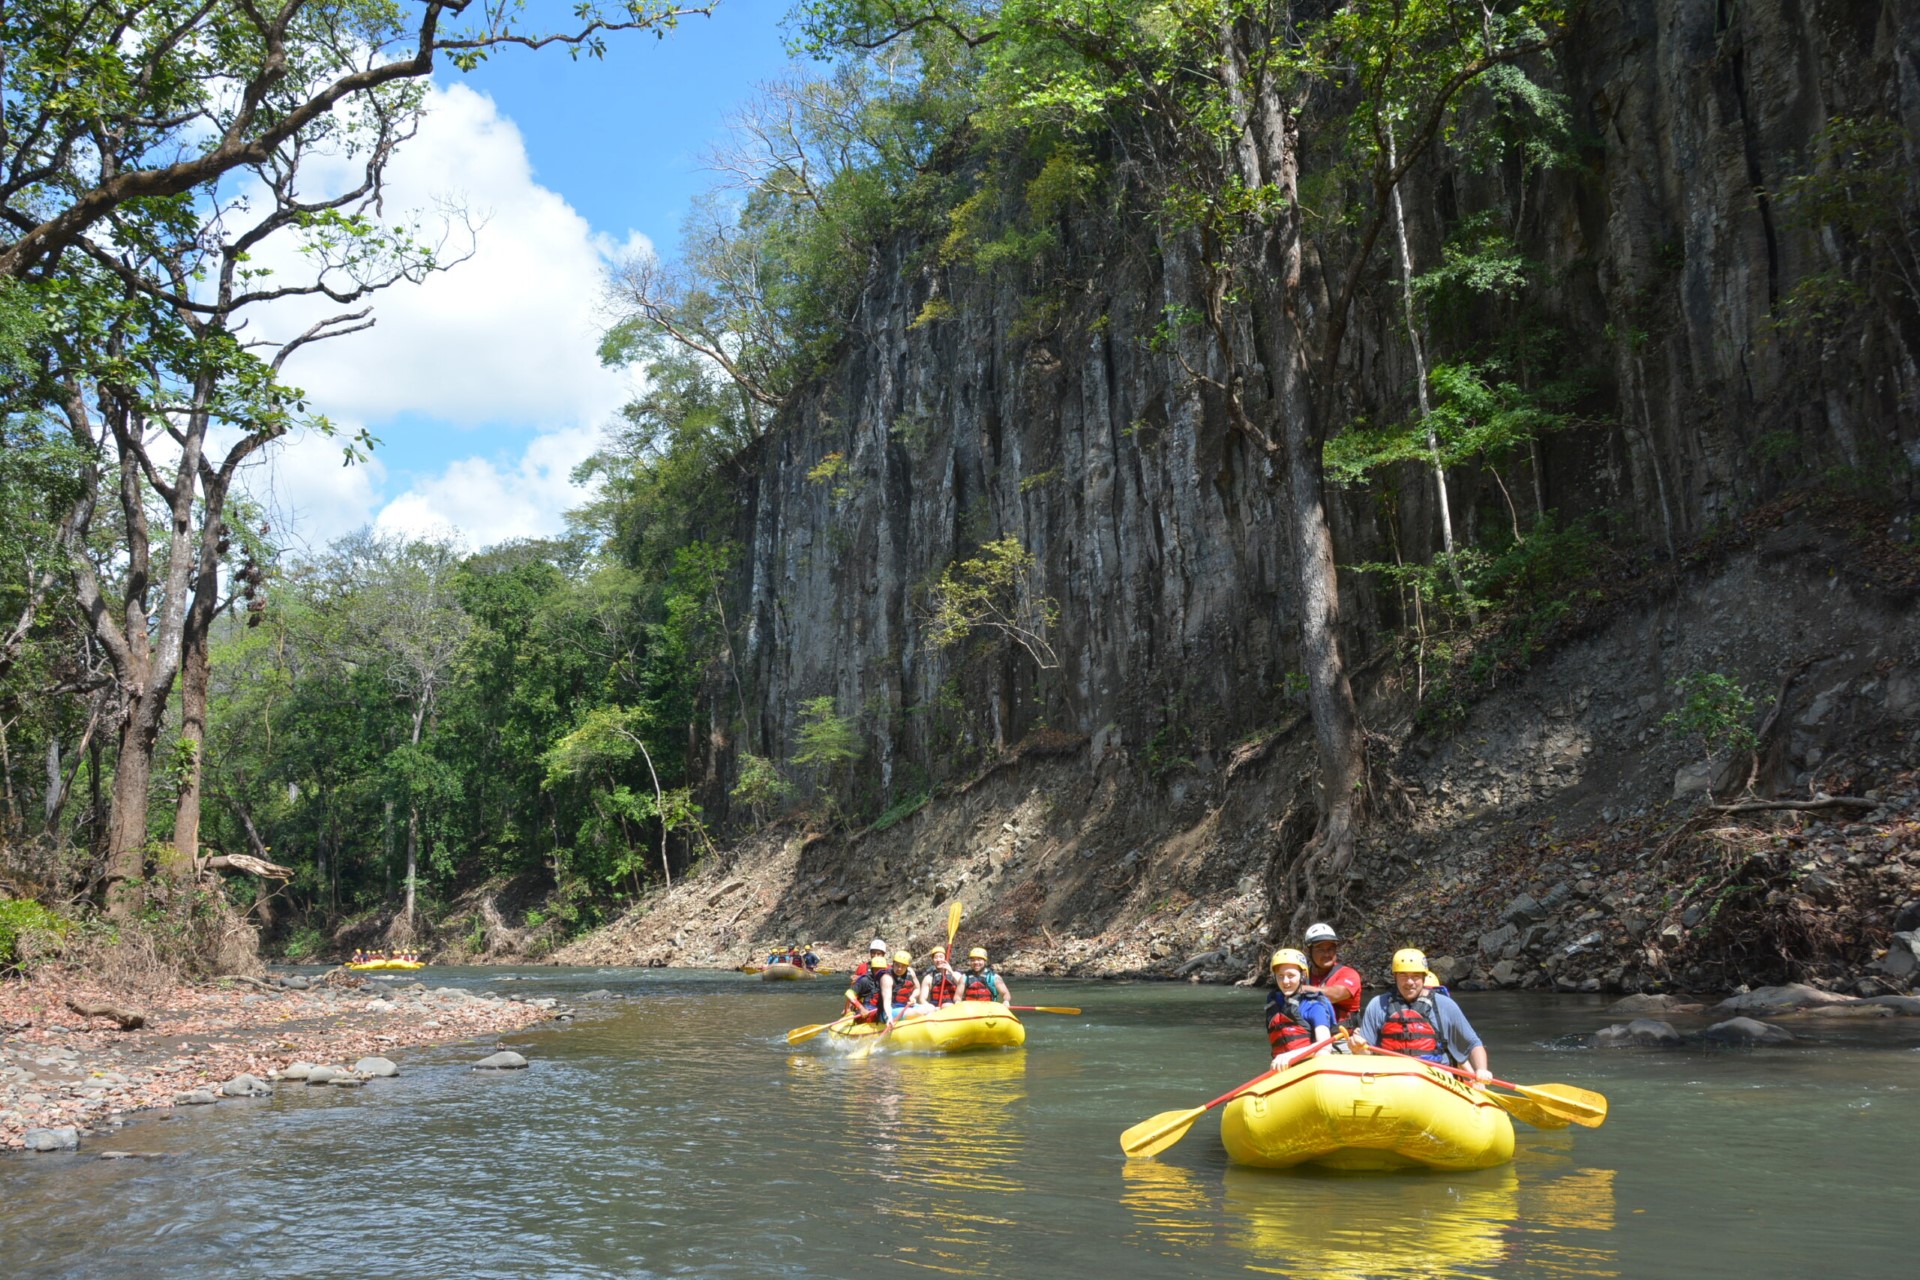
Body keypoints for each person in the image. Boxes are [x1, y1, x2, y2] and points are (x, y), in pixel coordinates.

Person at [1350, 948, 1493, 1082]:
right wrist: (1358, 1049)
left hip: (1435, 1075)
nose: (1409, 982)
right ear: (1395, 977)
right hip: (1390, 1075)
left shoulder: (1444, 1005)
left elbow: (1474, 1044)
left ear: (1424, 978)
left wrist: (1481, 1069)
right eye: (1403, 976)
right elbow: (1367, 1055)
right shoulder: (1377, 1005)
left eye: (1416, 976)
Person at [1264, 948, 1337, 1069]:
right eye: (1280, 976)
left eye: (1291, 975)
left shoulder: (1314, 1006)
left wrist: (1290, 1055)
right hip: (1282, 1069)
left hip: (1308, 1069)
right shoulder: (1273, 1003)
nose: (1285, 981)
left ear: (1302, 977)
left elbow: (1325, 1046)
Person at [1301, 922, 1364, 1023]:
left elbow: (1336, 994)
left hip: (1342, 1035)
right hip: (1309, 1034)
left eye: (1331, 949)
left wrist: (1299, 989)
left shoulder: (1349, 974)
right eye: (1320, 950)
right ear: (1309, 951)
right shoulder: (1302, 976)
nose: (1326, 954)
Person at [879, 950, 922, 1024]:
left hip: (907, 1006)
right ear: (893, 963)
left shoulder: (911, 972)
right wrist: (889, 1017)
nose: (899, 968)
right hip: (890, 1010)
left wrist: (913, 996)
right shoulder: (887, 978)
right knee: (917, 1013)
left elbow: (917, 989)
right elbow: (887, 1001)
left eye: (903, 966)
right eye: (897, 965)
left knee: (931, 1009)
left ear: (907, 966)